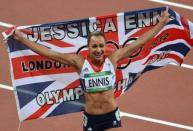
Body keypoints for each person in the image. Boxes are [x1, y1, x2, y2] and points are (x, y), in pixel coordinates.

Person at [12, 8, 170, 131]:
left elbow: (140, 42)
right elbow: (48, 53)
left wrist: (161, 24)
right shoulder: (79, 62)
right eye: (94, 46)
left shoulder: (113, 59)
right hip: (91, 118)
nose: (99, 50)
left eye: (101, 46)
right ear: (88, 47)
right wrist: (22, 39)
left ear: (105, 46)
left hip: (111, 116)